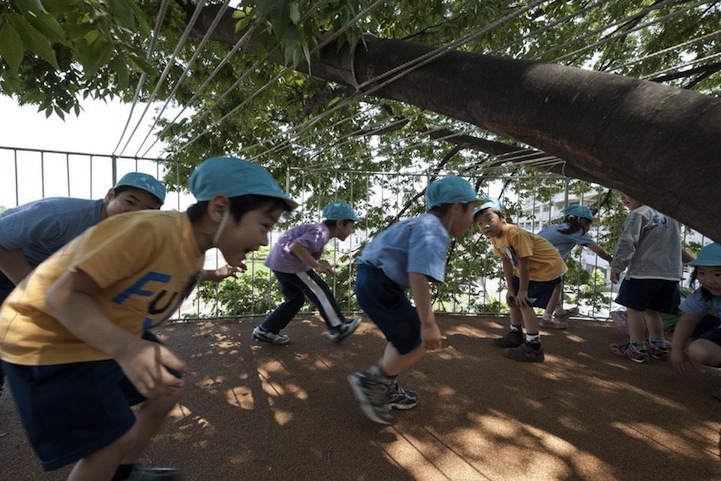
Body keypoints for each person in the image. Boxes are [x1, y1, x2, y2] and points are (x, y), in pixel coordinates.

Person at [0, 156, 296, 481]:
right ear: (220, 209)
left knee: (166, 388)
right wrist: (128, 349)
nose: (265, 241)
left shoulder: (191, 254)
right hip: (45, 338)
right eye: (264, 225)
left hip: (93, 330)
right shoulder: (149, 228)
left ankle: (121, 471)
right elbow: (62, 295)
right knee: (113, 439)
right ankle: (111, 463)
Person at [0, 172, 166, 401]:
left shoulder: (131, 236)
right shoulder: (61, 214)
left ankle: (98, 403)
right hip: (9, 266)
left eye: (148, 211)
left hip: (54, 279)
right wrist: (36, 294)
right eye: (130, 202)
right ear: (109, 196)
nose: (136, 214)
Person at [347, 176, 482, 424]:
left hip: (373, 282)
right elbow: (417, 273)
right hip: (378, 284)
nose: (472, 219)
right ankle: (372, 382)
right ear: (455, 207)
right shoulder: (434, 231)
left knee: (402, 338)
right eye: (471, 210)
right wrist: (428, 323)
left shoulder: (421, 223)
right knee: (420, 339)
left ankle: (386, 386)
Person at [251, 201, 362, 345]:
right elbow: (296, 246)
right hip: (290, 264)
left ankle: (266, 330)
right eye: (351, 225)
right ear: (340, 224)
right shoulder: (321, 233)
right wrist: (315, 265)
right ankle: (338, 326)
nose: (352, 230)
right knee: (320, 290)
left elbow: (304, 247)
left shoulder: (319, 231)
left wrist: (319, 263)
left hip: (279, 263)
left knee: (295, 300)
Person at [476, 198, 567, 363]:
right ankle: (515, 334)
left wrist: (523, 290)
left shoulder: (514, 234)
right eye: (480, 223)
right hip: (528, 269)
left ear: (503, 217)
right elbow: (506, 261)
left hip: (545, 269)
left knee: (524, 302)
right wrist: (511, 289)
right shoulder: (495, 238)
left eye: (489, 219)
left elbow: (525, 261)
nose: (485, 226)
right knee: (514, 300)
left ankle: (534, 347)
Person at [609, 192, 693, 364]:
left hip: (644, 272)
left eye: (627, 193)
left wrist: (617, 267)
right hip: (670, 274)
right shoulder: (670, 217)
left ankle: (636, 348)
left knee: (634, 310)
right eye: (620, 195)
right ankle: (657, 344)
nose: (623, 198)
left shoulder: (639, 214)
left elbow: (626, 242)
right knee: (652, 310)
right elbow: (676, 247)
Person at [537, 204, 613, 329]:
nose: (589, 227)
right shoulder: (576, 230)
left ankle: (559, 311)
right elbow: (598, 250)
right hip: (542, 261)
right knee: (556, 287)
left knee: (557, 283)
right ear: (582, 221)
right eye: (589, 224)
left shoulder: (555, 228)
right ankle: (547, 319)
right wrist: (611, 260)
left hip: (533, 258)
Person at [671, 242, 721, 398]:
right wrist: (677, 349)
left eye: (718, 274)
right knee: (698, 349)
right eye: (702, 273)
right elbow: (688, 321)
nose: (709, 280)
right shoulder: (704, 294)